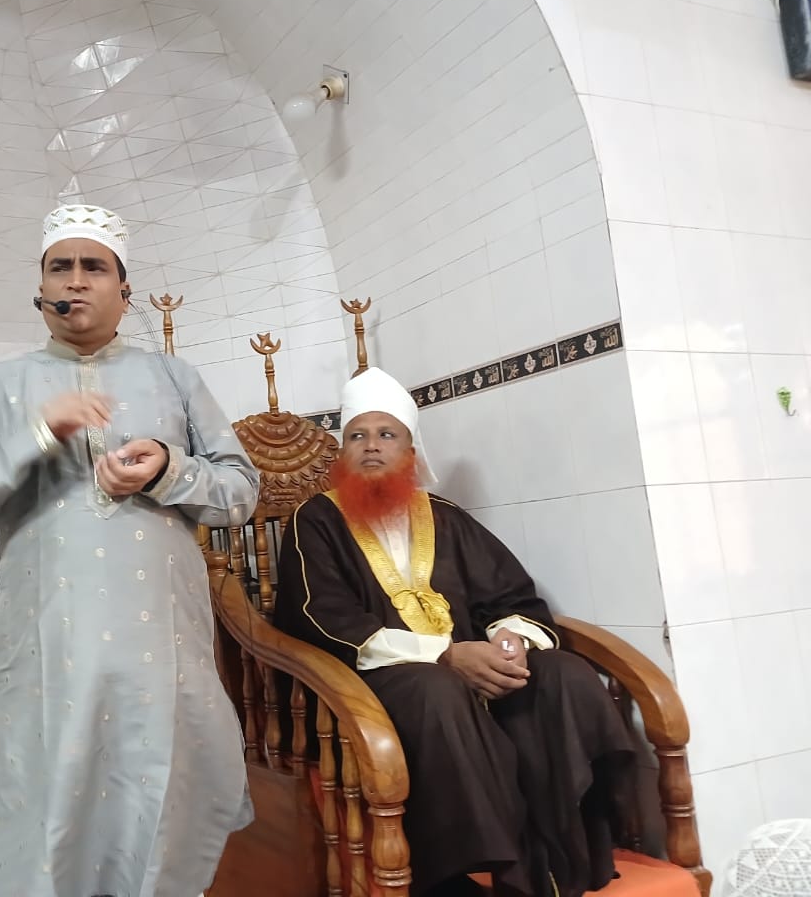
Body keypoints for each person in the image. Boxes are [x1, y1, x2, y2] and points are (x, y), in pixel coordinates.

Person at [0, 202, 260, 897]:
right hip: (48, 659)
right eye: (60, 267)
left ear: (124, 292)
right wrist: (35, 434)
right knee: (48, 822)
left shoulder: (175, 378)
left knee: (161, 814)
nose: (75, 280)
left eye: (94, 267)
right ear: (40, 290)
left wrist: (167, 470)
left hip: (159, 657)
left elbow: (241, 492)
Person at [272, 367, 635, 897]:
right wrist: (445, 655)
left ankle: (563, 854)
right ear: (342, 452)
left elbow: (510, 596)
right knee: (436, 689)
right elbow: (325, 619)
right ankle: (465, 876)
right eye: (357, 436)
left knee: (562, 674)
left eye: (386, 434)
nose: (371, 446)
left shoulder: (447, 518)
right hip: (372, 683)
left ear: (410, 452)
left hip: (469, 666)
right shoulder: (316, 521)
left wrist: (509, 643)